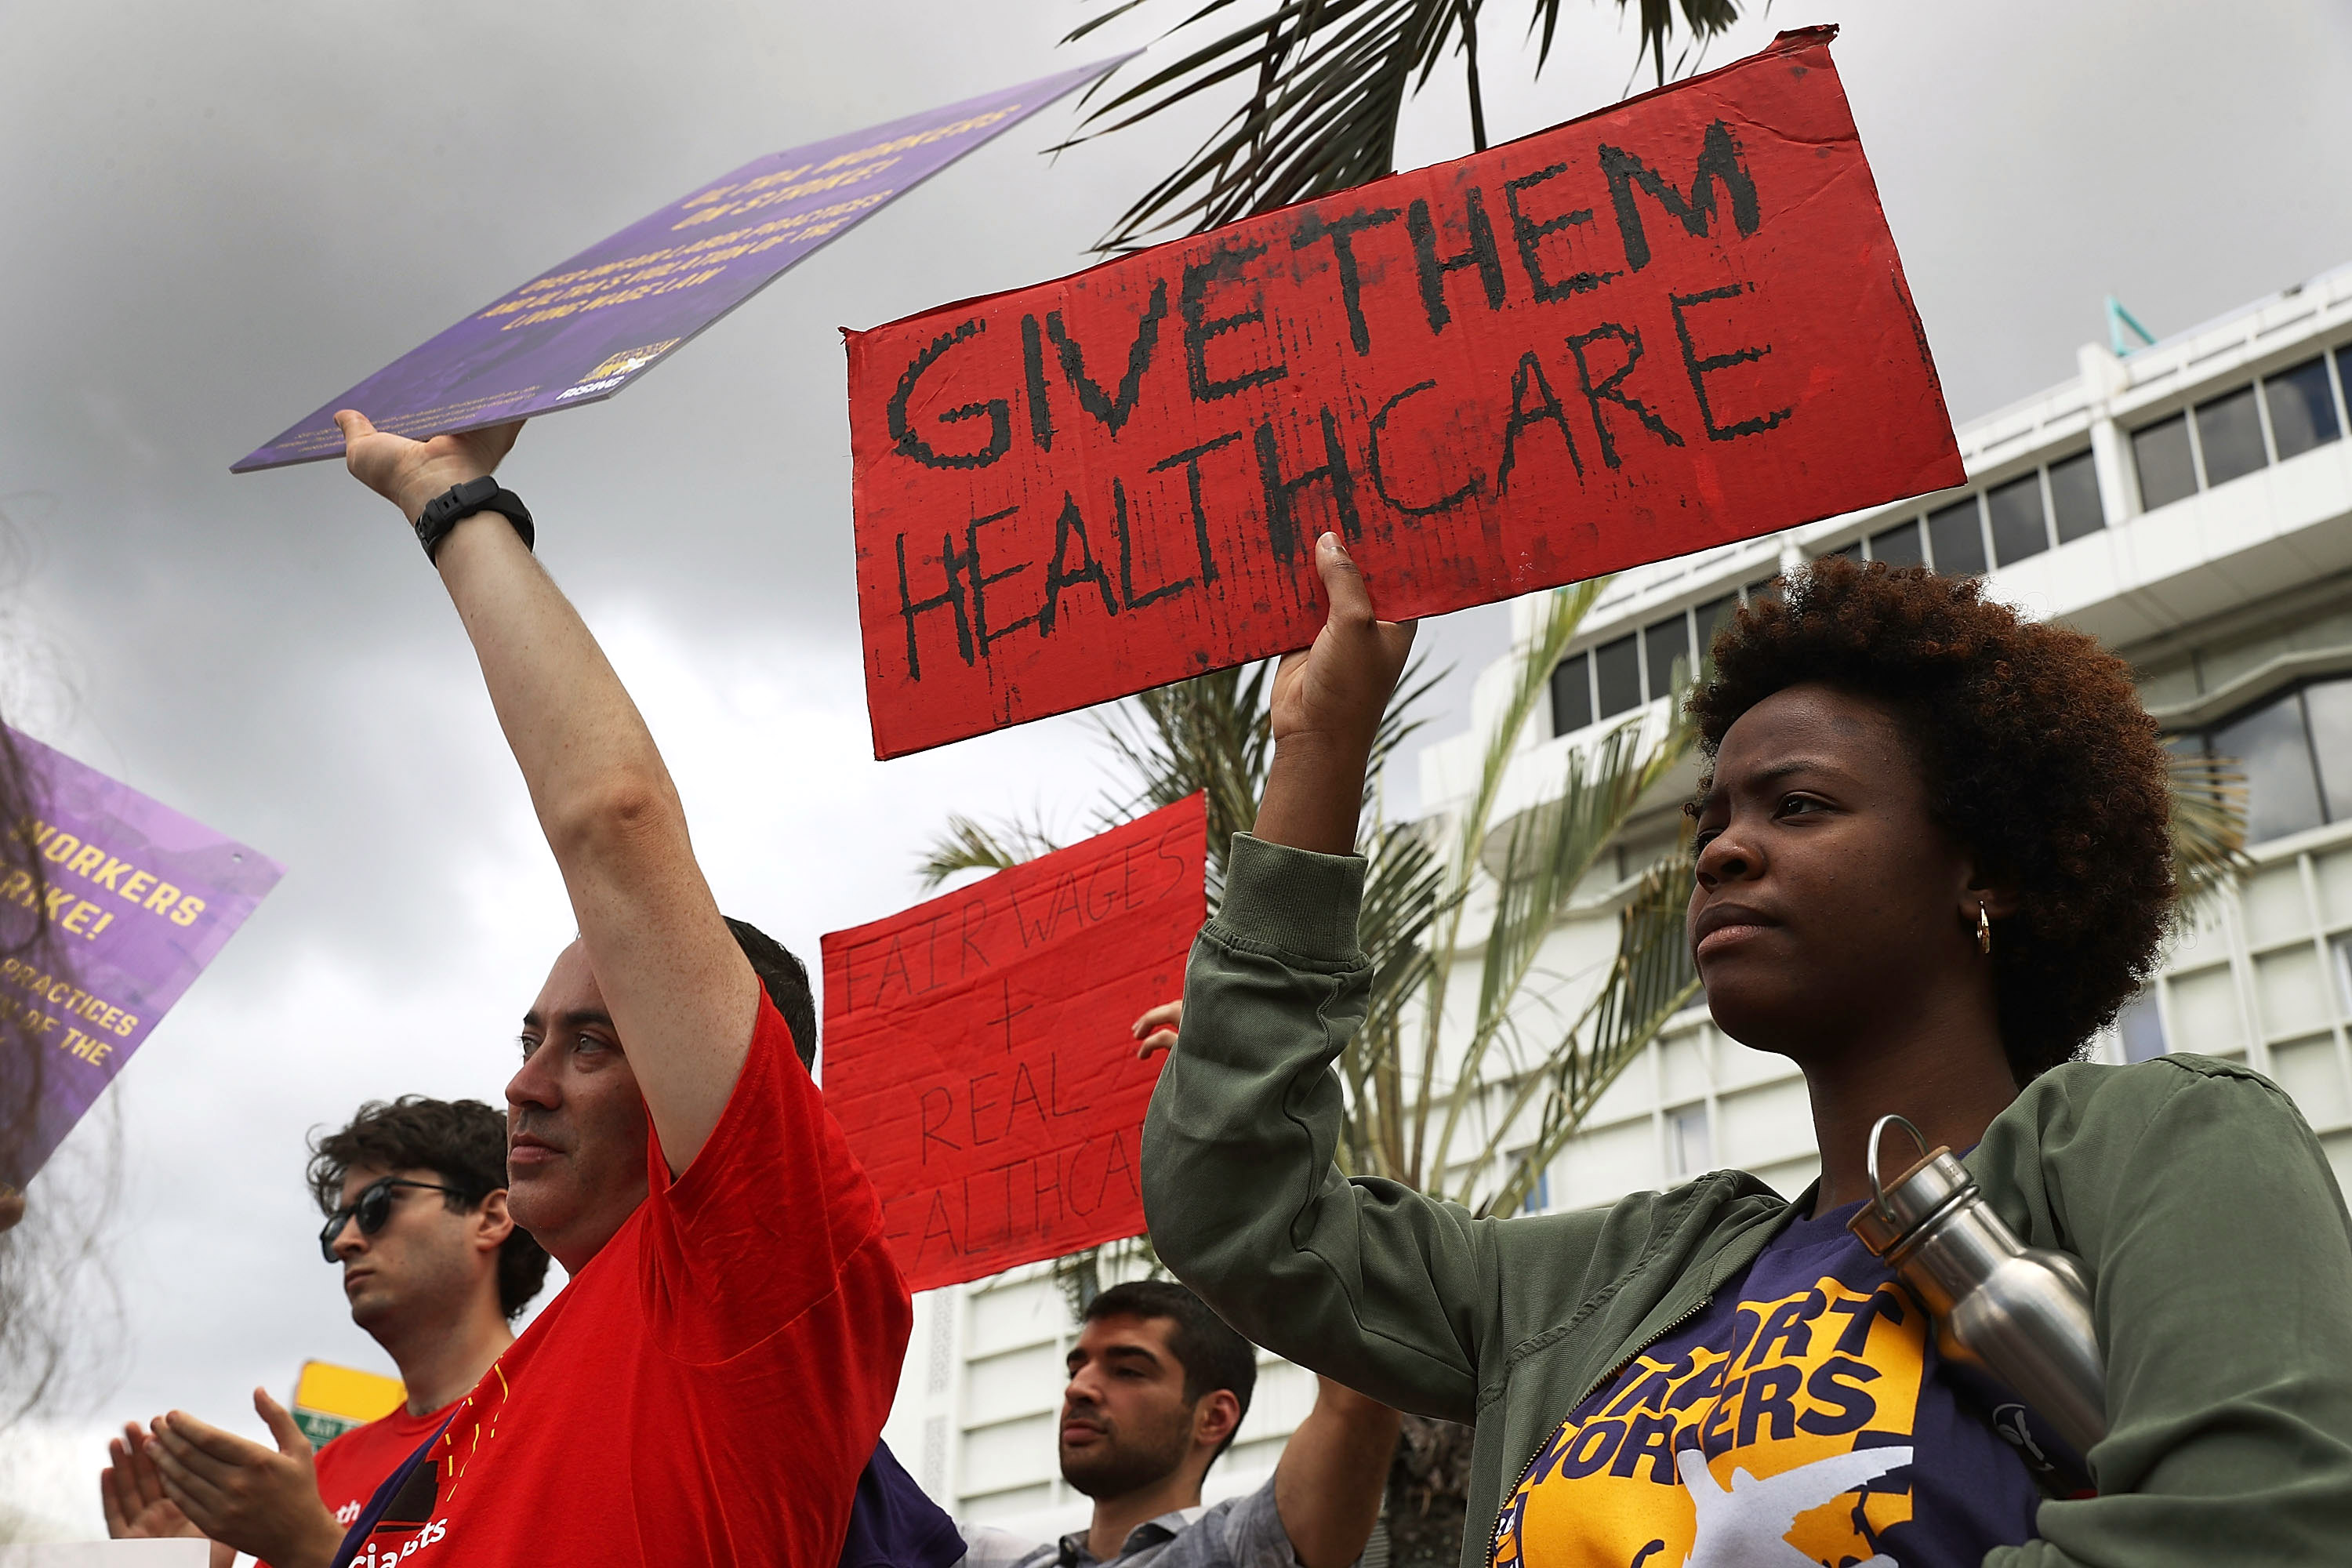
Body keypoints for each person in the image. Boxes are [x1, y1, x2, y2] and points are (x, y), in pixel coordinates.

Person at [1142, 543, 2352, 1566]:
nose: (1722, 852)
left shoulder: (2166, 1142)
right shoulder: (1585, 1291)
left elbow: (2250, 1531)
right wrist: (1319, 744)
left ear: (1982, 871)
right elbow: (1245, 1214)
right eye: (1712, 818)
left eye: (1801, 807)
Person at [228, 411, 910, 1566]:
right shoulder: (471, 1435)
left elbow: (615, 823)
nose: (523, 1085)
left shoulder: (758, 1280)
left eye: (590, 1045)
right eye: (532, 1036)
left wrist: (450, 502)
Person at [99, 1095, 550, 1566]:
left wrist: (313, 1550)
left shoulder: (564, 1424)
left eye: (378, 1204)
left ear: (492, 1217)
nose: (344, 1241)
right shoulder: (321, 1474)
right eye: (339, 1220)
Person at [960, 1280, 1398, 1568]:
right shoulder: (985, 1559)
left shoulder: (1236, 1552)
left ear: (1213, 1417)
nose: (1079, 1389)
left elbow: (1358, 1399)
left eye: (1128, 1370)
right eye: (1076, 1370)